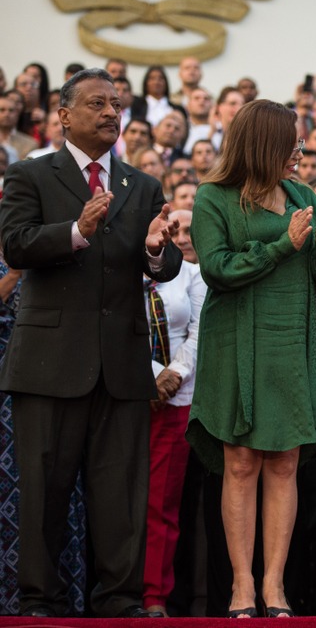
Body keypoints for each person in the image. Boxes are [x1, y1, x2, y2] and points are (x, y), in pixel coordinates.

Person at [0, 68, 183, 618]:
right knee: (43, 496)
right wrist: (76, 232)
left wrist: (155, 251)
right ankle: (39, 601)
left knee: (120, 499)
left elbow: (167, 262)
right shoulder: (30, 175)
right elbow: (15, 244)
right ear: (63, 115)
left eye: (117, 104)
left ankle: (119, 602)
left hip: (122, 366)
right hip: (50, 362)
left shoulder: (140, 184)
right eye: (98, 103)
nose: (111, 112)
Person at [187, 99, 316, 618]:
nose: (299, 153)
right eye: (291, 144)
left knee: (285, 464)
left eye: (300, 143)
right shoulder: (214, 198)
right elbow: (217, 269)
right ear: (263, 145)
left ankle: (274, 588)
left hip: (291, 345)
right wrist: (287, 244)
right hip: (236, 343)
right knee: (240, 463)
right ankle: (241, 586)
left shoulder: (304, 196)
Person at [142, 228, 208, 617]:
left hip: (176, 399)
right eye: (169, 226)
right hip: (126, 393)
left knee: (161, 504)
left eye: (186, 228)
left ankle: (154, 596)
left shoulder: (192, 274)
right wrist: (148, 373)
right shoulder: (120, 267)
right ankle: (116, 589)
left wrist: (174, 375)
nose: (176, 234)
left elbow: (200, 330)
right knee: (114, 499)